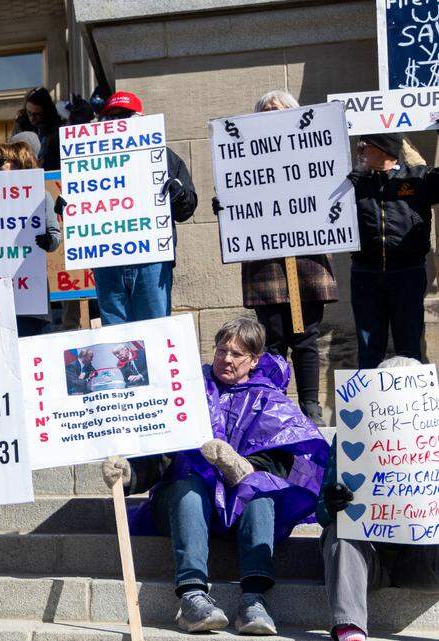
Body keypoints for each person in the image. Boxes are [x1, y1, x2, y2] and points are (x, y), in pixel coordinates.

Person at [101, 317, 328, 635]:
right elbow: (163, 452)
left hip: (239, 509)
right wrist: (130, 473)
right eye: (222, 350)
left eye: (236, 354)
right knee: (190, 485)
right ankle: (192, 597)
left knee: (261, 490)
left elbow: (282, 462)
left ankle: (253, 600)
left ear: (254, 360)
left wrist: (240, 466)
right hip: (185, 503)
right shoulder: (187, 391)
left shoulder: (270, 400)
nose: (226, 359)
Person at [213, 90, 338, 425]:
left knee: (306, 336)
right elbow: (237, 191)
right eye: (266, 111)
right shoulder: (242, 158)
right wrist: (227, 206)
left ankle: (310, 407)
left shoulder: (314, 152)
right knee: (272, 339)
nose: (273, 114)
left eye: (280, 110)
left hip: (305, 259)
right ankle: (272, 406)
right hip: (265, 264)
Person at [318, 357, 439, 641]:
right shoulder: (348, 438)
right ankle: (350, 627)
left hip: (422, 559)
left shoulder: (433, 439)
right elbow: (321, 515)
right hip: (367, 557)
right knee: (337, 530)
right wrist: (331, 504)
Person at [89, 91, 197, 325]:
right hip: (108, 261)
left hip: (151, 260)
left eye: (124, 116)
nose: (117, 122)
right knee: (117, 336)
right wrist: (69, 209)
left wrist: (178, 195)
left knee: (155, 330)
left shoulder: (164, 157)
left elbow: (186, 210)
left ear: (141, 118)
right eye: (111, 117)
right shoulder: (90, 160)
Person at [346, 131, 439, 368]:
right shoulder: (356, 181)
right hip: (365, 274)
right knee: (368, 350)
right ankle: (369, 393)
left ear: (383, 148)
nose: (358, 150)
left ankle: (410, 393)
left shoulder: (418, 178)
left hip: (408, 273)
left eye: (364, 144)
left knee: (409, 348)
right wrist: (355, 178)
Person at [0, 141, 61, 336]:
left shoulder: (41, 195)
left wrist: (48, 240)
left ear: (19, 163)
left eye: (1, 162)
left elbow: (55, 236)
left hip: (31, 286)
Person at [12, 87, 64, 170]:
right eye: (29, 113)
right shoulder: (21, 124)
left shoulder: (55, 131)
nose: (32, 118)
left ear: (46, 112)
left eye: (37, 115)